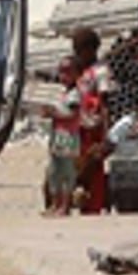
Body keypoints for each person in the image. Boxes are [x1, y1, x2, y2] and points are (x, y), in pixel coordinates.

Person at [72, 27, 109, 214]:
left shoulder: (100, 71)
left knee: (94, 165)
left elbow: (105, 102)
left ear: (90, 49)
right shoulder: (83, 72)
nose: (77, 54)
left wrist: (106, 132)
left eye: (79, 50)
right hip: (80, 126)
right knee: (81, 165)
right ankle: (83, 201)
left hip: (94, 127)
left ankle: (95, 203)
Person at [41, 57, 83, 217]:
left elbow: (71, 113)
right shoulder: (63, 93)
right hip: (57, 136)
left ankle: (65, 206)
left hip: (68, 137)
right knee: (54, 171)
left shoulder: (74, 94)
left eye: (67, 72)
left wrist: (54, 113)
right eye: (61, 72)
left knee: (66, 172)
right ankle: (54, 203)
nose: (63, 76)